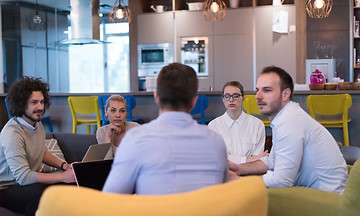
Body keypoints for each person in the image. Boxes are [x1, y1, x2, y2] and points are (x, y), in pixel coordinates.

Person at [103, 63, 228, 195]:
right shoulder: (216, 141)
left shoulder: (136, 139)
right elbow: (223, 193)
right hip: (203, 215)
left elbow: (111, 198)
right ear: (194, 101)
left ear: (156, 97)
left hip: (155, 214)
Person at [229, 66, 348, 194]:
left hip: (327, 200)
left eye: (267, 90)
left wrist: (238, 181)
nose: (257, 96)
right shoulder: (287, 116)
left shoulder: (289, 121)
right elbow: (272, 161)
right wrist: (239, 169)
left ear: (285, 94)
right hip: (321, 194)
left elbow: (281, 181)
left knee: (240, 197)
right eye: (257, 90)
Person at [0, 77, 75, 216]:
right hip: (5, 188)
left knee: (68, 185)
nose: (40, 107)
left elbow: (41, 152)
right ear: (21, 103)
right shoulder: (12, 133)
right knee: (40, 192)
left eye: (41, 102)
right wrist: (61, 176)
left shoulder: (36, 125)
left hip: (22, 186)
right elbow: (23, 177)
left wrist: (65, 167)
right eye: (34, 102)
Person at [208, 81, 267, 164]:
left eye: (236, 96)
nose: (231, 100)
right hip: (226, 172)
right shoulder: (214, 126)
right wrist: (247, 159)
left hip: (250, 172)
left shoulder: (257, 124)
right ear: (223, 99)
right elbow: (218, 156)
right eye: (227, 96)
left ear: (243, 99)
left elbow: (258, 158)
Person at [96, 95, 139, 159]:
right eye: (113, 110)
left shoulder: (135, 128)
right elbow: (106, 163)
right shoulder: (101, 132)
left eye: (122, 111)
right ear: (106, 112)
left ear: (126, 113)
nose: (118, 115)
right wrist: (108, 137)